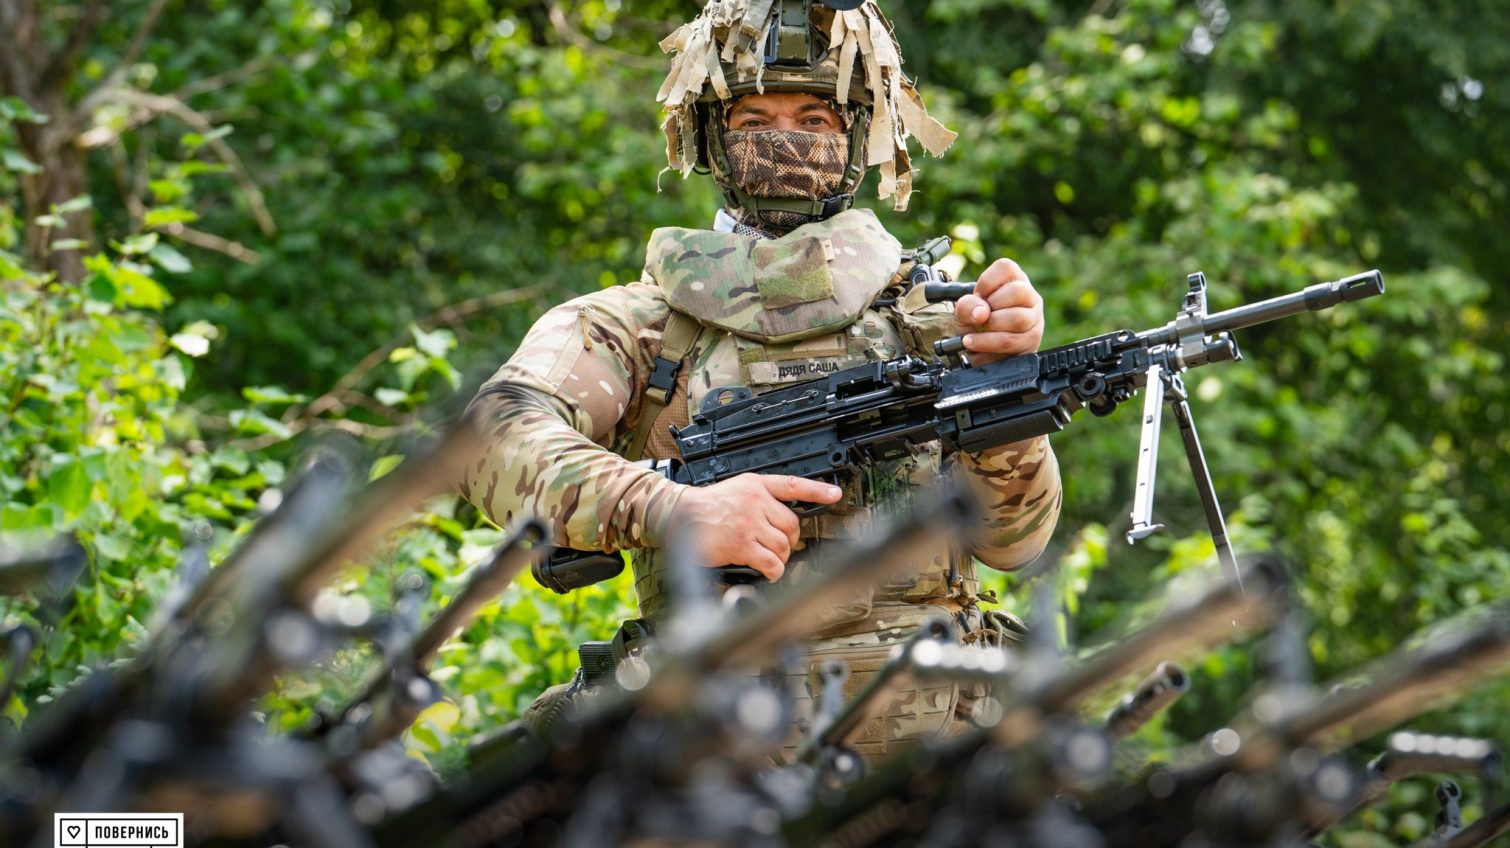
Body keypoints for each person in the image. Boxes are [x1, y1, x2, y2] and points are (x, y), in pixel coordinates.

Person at [461, 0, 1061, 759]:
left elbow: (1015, 540)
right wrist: (671, 506)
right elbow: (488, 439)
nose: (784, 141)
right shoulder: (641, 325)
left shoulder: (937, 319)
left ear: (856, 140)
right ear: (711, 139)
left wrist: (1005, 379)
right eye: (753, 119)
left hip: (935, 751)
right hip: (719, 756)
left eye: (815, 119)